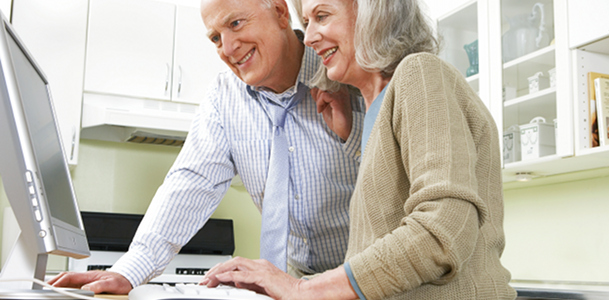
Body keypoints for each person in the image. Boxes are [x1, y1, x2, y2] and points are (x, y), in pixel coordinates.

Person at [200, 0, 517, 299]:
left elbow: (443, 229)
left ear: (371, 11)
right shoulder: (372, 114)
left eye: (322, 16)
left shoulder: (420, 73)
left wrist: (301, 289)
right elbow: (380, 261)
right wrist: (283, 286)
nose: (309, 37)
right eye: (307, 22)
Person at [48, 0, 365, 294]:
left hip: (368, 282)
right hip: (293, 284)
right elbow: (190, 183)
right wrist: (128, 272)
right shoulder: (224, 97)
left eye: (236, 24)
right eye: (215, 38)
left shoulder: (346, 73)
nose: (228, 48)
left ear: (281, 13)